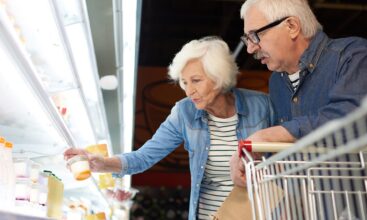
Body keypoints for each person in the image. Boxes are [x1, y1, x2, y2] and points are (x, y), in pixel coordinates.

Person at [64, 36, 274, 220]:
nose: (189, 91)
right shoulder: (184, 113)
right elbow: (144, 157)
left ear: (218, 77)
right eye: (184, 83)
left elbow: (289, 155)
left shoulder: (262, 106)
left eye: (196, 81)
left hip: (259, 213)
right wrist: (101, 164)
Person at [230, 0, 367, 187]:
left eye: (255, 35)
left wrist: (276, 134)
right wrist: (259, 162)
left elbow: (355, 119)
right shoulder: (277, 82)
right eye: (247, 39)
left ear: (292, 26)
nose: (250, 48)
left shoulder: (353, 56)